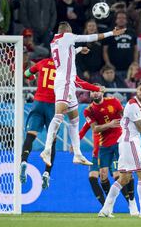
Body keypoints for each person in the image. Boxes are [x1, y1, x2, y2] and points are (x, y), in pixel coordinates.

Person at [39, 21, 125, 167]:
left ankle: (78, 154)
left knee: (74, 119)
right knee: (59, 115)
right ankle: (47, 149)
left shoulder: (56, 42)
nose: (73, 35)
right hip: (65, 82)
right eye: (71, 32)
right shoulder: (67, 37)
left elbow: (68, 54)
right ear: (67, 31)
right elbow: (90, 37)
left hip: (68, 82)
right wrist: (112, 33)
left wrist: (79, 49)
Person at [21, 54, 102, 189]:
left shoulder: (43, 63)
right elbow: (81, 83)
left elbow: (26, 73)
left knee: (31, 134)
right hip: (54, 105)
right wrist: (97, 88)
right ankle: (47, 172)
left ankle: (23, 161)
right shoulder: (66, 70)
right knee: (52, 140)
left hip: (38, 102)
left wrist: (32, 77)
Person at [98, 81, 141, 218]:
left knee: (124, 178)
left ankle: (106, 209)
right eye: (140, 90)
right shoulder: (133, 105)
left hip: (125, 143)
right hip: (130, 142)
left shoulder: (138, 105)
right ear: (136, 90)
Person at [83, 88, 138, 216]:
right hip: (104, 145)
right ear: (90, 94)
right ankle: (108, 206)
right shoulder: (89, 110)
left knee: (125, 173)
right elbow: (95, 129)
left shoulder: (114, 101)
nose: (95, 93)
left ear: (102, 92)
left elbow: (125, 115)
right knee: (103, 175)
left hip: (120, 142)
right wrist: (110, 124)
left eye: (97, 90)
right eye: (92, 91)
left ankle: (132, 202)